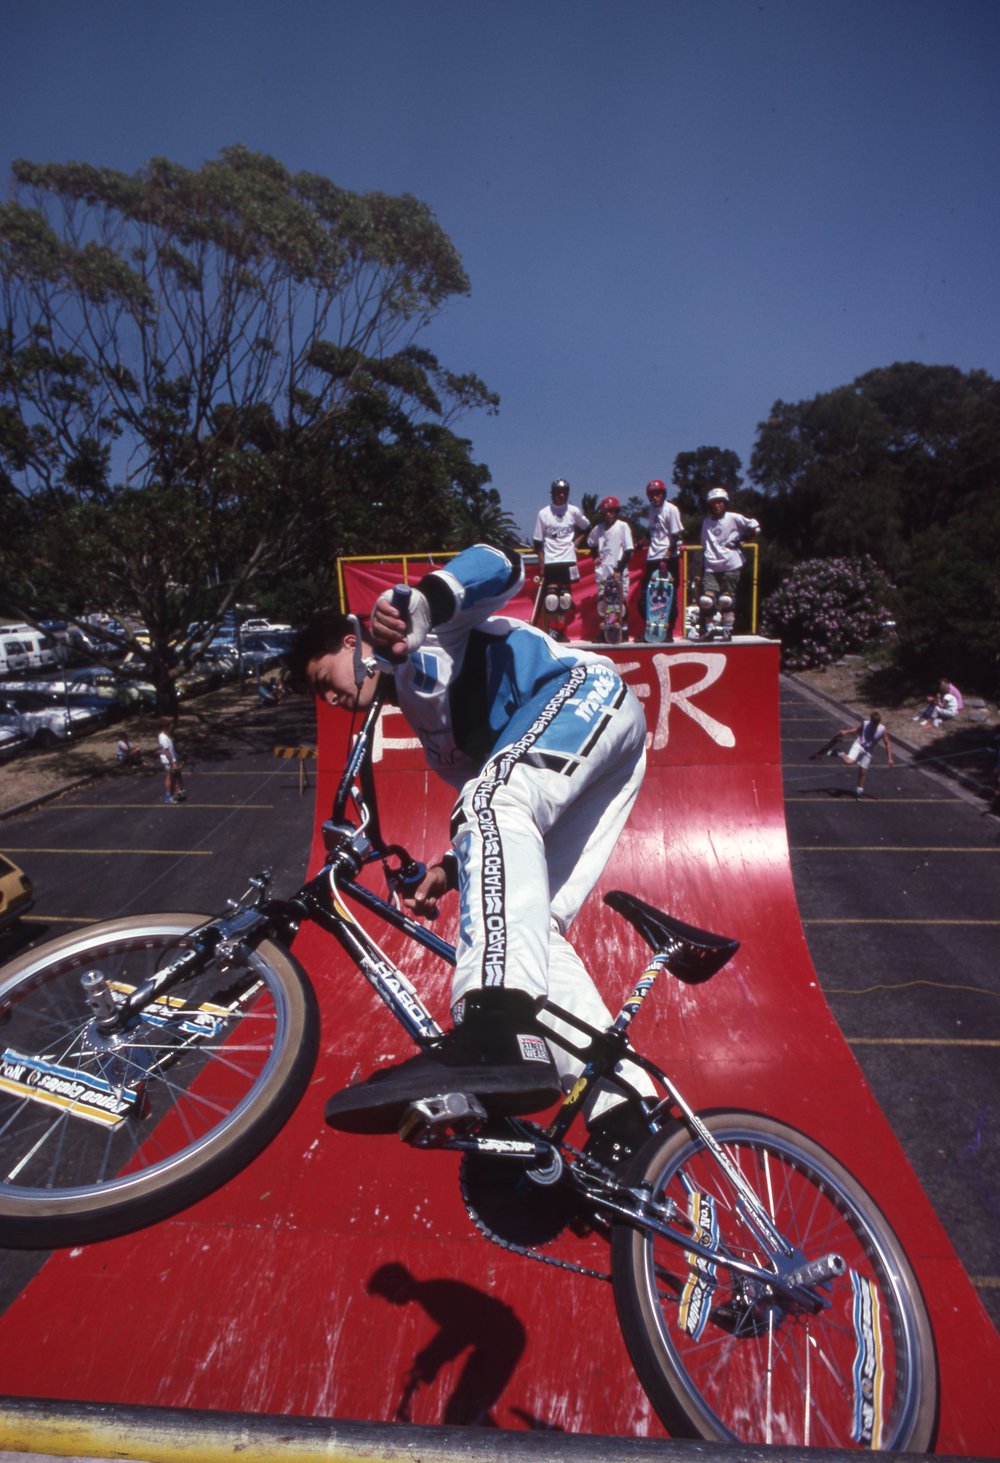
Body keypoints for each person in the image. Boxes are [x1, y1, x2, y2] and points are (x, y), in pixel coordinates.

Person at [286, 543, 656, 1152]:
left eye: (321, 679)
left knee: (488, 799)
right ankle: (627, 1116)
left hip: (585, 693)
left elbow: (502, 560)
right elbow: (516, 801)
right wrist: (450, 867)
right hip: (596, 753)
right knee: (538, 932)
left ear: (351, 642)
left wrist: (420, 602)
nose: (326, 701)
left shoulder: (416, 632)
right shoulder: (438, 741)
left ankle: (495, 1028)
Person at [692, 486, 760, 640]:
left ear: (725, 503)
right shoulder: (706, 522)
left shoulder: (733, 517)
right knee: (706, 600)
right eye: (714, 503)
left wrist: (742, 539)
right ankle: (709, 630)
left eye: (720, 502)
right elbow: (704, 545)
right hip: (711, 565)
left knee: (726, 599)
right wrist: (697, 569)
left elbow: (755, 526)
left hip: (731, 564)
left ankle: (727, 630)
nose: (717, 506)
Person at [531, 478, 590, 641]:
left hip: (568, 559)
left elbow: (587, 528)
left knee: (565, 598)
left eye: (564, 492)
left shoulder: (573, 511)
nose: (561, 495)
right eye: (558, 492)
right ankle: (551, 631)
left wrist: (576, 544)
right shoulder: (544, 513)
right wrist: (542, 561)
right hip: (551, 560)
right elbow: (537, 541)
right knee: (551, 599)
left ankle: (561, 630)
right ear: (553, 493)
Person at [638, 479, 684, 641]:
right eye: (652, 495)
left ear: (663, 494)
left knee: (668, 596)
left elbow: (676, 535)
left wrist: (668, 553)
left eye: (658, 494)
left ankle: (668, 631)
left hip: (668, 558)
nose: (655, 497)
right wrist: (638, 545)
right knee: (647, 597)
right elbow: (651, 533)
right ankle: (651, 631)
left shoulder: (671, 510)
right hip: (652, 557)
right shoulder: (650, 510)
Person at [587, 496, 634, 641]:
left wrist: (619, 570)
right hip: (603, 572)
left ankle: (623, 631)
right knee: (603, 604)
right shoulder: (598, 529)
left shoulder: (622, 526)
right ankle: (604, 633)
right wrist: (595, 556)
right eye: (606, 512)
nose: (609, 514)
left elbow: (628, 550)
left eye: (612, 511)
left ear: (616, 512)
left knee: (620, 603)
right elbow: (591, 543)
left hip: (617, 570)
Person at [833, 713, 894, 797]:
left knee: (863, 772)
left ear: (879, 721)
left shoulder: (882, 730)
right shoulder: (865, 723)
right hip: (859, 744)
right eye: (873, 723)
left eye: (876, 723)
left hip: (868, 750)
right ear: (871, 721)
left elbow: (887, 743)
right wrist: (845, 731)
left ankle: (859, 791)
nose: (875, 725)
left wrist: (890, 758)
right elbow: (857, 730)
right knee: (849, 762)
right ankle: (840, 752)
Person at [157, 718, 186, 803]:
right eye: (168, 726)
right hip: (168, 761)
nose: (170, 728)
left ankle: (174, 793)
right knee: (169, 777)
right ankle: (168, 796)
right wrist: (172, 762)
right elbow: (166, 751)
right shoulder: (163, 737)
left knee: (173, 777)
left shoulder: (165, 736)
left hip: (171, 759)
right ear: (164, 727)